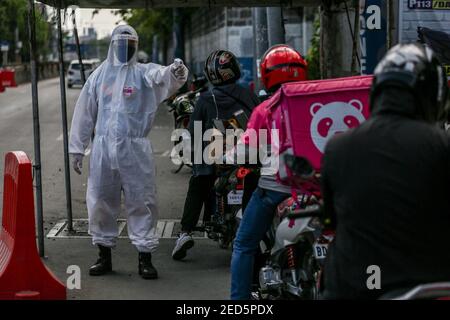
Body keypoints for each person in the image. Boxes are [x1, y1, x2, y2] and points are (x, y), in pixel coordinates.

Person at [321, 43, 450, 299]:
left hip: (363, 284)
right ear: (432, 94)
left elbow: (330, 220)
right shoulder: (441, 146)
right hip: (435, 279)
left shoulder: (337, 148)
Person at [69, 25, 188, 279]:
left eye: (130, 46)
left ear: (135, 46)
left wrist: (175, 72)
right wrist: (77, 149)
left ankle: (145, 258)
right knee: (100, 200)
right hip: (102, 150)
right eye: (121, 46)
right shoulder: (99, 77)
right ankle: (104, 256)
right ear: (113, 46)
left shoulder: (143, 74)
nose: (125, 50)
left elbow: (162, 77)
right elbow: (84, 113)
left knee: (142, 201)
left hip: (135, 150)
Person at [229, 45, 308, 299]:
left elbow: (246, 151)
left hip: (274, 189)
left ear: (266, 74)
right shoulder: (314, 102)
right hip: (315, 188)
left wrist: (226, 157)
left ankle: (239, 301)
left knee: (243, 245)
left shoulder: (265, 109)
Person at [172, 50, 259, 260]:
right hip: (249, 152)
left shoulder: (205, 99)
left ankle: (185, 233)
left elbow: (193, 132)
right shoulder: (248, 94)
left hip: (216, 155)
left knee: (199, 182)